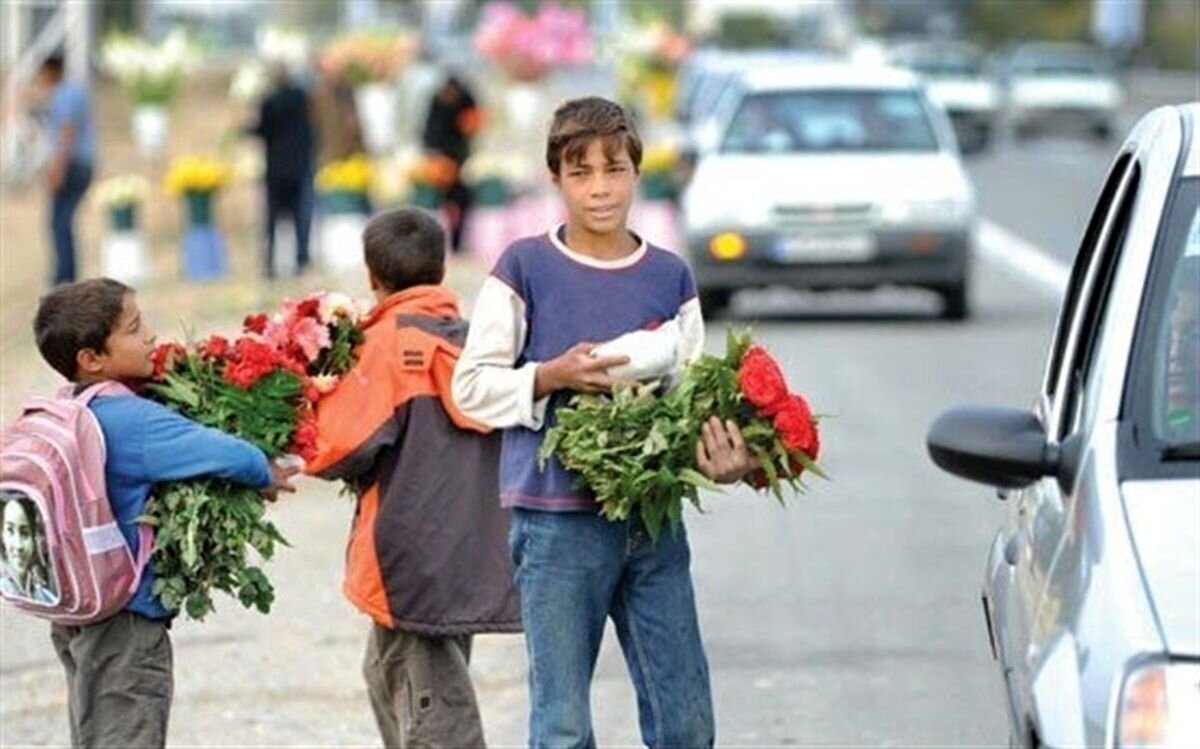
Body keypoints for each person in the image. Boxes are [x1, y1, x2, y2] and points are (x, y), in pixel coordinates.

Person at [451, 97, 753, 748]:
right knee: (561, 726)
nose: (600, 188)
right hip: (556, 526)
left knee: (687, 722)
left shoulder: (669, 276)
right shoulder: (524, 269)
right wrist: (550, 375)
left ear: (637, 173)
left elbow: (691, 398)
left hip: (653, 523)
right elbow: (469, 387)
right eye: (581, 172)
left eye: (613, 169)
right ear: (555, 179)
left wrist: (728, 457)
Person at [32, 278, 297, 747]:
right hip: (125, 618)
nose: (150, 336)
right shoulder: (130, 420)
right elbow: (225, 452)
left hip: (75, 607)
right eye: (134, 329)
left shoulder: (68, 407)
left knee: (95, 728)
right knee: (126, 734)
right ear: (91, 359)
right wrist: (266, 470)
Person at [305, 208, 521, 748]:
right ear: (441, 269)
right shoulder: (472, 343)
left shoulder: (385, 349)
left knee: (433, 708)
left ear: (372, 278)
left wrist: (313, 400)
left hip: (408, 558)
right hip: (466, 553)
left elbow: (339, 449)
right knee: (392, 676)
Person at [244, 64, 316, 278]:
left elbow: (262, 130)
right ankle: (301, 259)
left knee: (272, 220)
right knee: (300, 217)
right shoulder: (301, 98)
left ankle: (270, 264)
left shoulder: (269, 101)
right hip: (299, 166)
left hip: (276, 169)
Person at [37, 54, 96, 286]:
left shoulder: (62, 96)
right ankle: (66, 274)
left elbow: (67, 132)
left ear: (50, 71)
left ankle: (64, 276)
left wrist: (57, 168)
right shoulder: (76, 92)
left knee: (58, 223)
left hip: (71, 164)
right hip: (84, 163)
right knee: (64, 221)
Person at [421, 75, 480, 253]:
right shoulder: (436, 104)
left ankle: (457, 243)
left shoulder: (466, 102)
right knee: (438, 208)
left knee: (462, 206)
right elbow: (429, 134)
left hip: (462, 162)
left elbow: (473, 128)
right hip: (440, 164)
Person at [0, 492, 56, 604]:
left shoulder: (43, 596)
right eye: (10, 531)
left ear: (35, 539)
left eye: (25, 533)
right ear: (2, 535)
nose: (18, 545)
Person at [311, 58, 364, 168]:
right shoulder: (317, 96)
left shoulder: (349, 92)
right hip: (329, 156)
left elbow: (356, 123)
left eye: (336, 71)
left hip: (352, 155)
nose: (335, 75)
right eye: (329, 71)